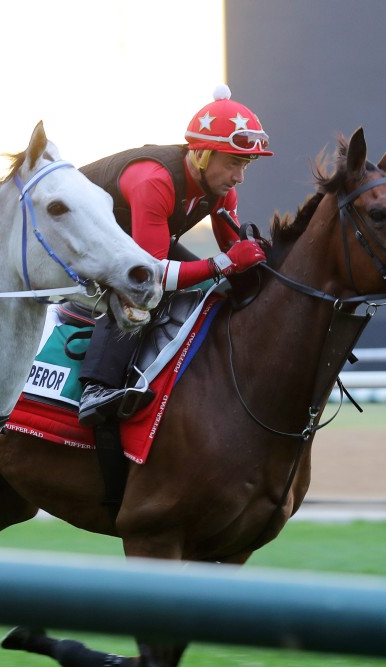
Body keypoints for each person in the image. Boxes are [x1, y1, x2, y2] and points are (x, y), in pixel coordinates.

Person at [74, 85, 272, 427]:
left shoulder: (223, 190)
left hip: (124, 241)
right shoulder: (155, 180)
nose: (239, 177)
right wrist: (225, 263)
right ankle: (96, 388)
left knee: (222, 284)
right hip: (71, 236)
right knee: (142, 293)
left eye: (246, 165)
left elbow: (234, 256)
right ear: (203, 155)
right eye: (234, 163)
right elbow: (153, 275)